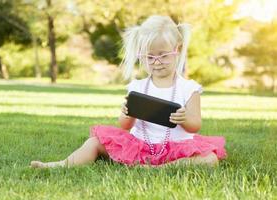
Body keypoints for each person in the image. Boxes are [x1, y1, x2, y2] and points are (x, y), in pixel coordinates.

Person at [30, 15, 226, 169]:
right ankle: (61, 165)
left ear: (177, 49)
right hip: (139, 144)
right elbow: (124, 126)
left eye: (163, 55)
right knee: (94, 142)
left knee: (209, 159)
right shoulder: (137, 87)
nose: (156, 62)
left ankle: (161, 168)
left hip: (176, 147)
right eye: (149, 57)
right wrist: (126, 114)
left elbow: (195, 126)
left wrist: (184, 118)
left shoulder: (189, 88)